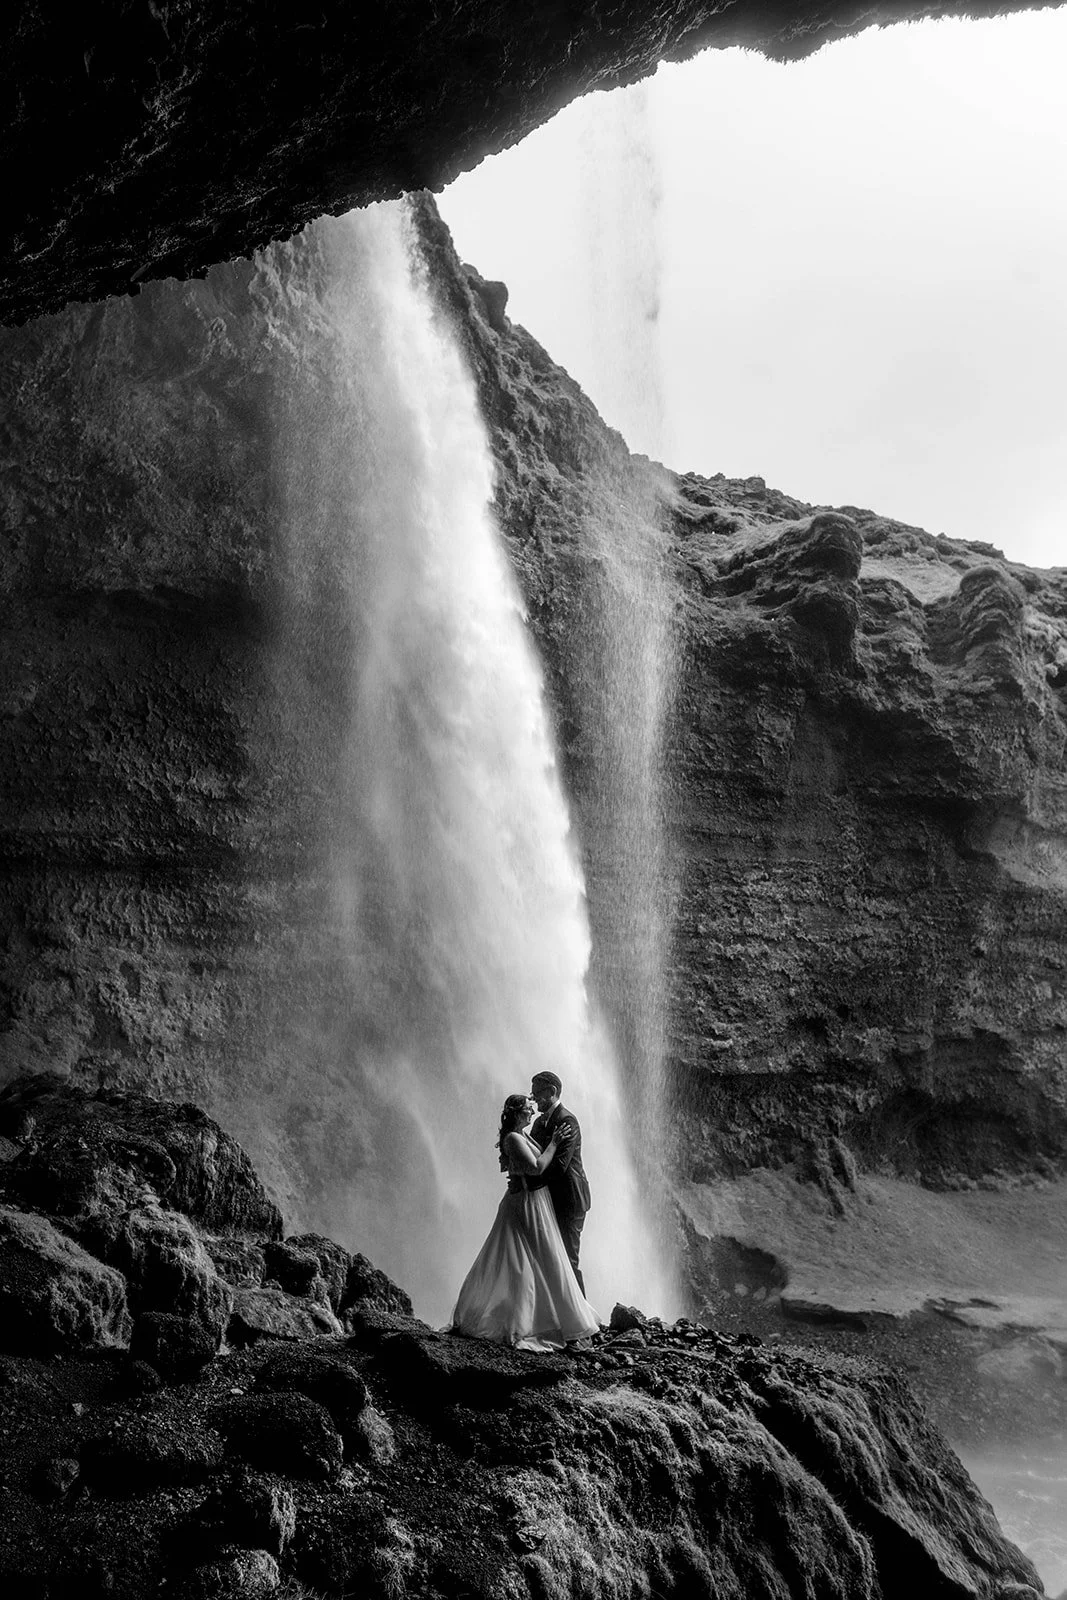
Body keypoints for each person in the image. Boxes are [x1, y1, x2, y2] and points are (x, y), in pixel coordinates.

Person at [451, 1093, 599, 1350]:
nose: (532, 1111)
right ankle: (526, 1320)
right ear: (518, 1113)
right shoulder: (512, 1138)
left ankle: (556, 1319)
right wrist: (554, 1142)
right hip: (526, 1204)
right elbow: (537, 1168)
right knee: (525, 1259)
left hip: (537, 1201)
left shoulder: (525, 1134)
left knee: (537, 1259)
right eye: (528, 1109)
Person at [528, 1071, 590, 1294]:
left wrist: (528, 1180)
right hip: (548, 1199)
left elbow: (560, 1166)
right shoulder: (538, 1124)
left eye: (537, 1094)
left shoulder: (567, 1121)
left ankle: (586, 1320)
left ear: (552, 1091)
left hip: (570, 1199)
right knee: (549, 1258)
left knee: (568, 1258)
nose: (533, 1099)